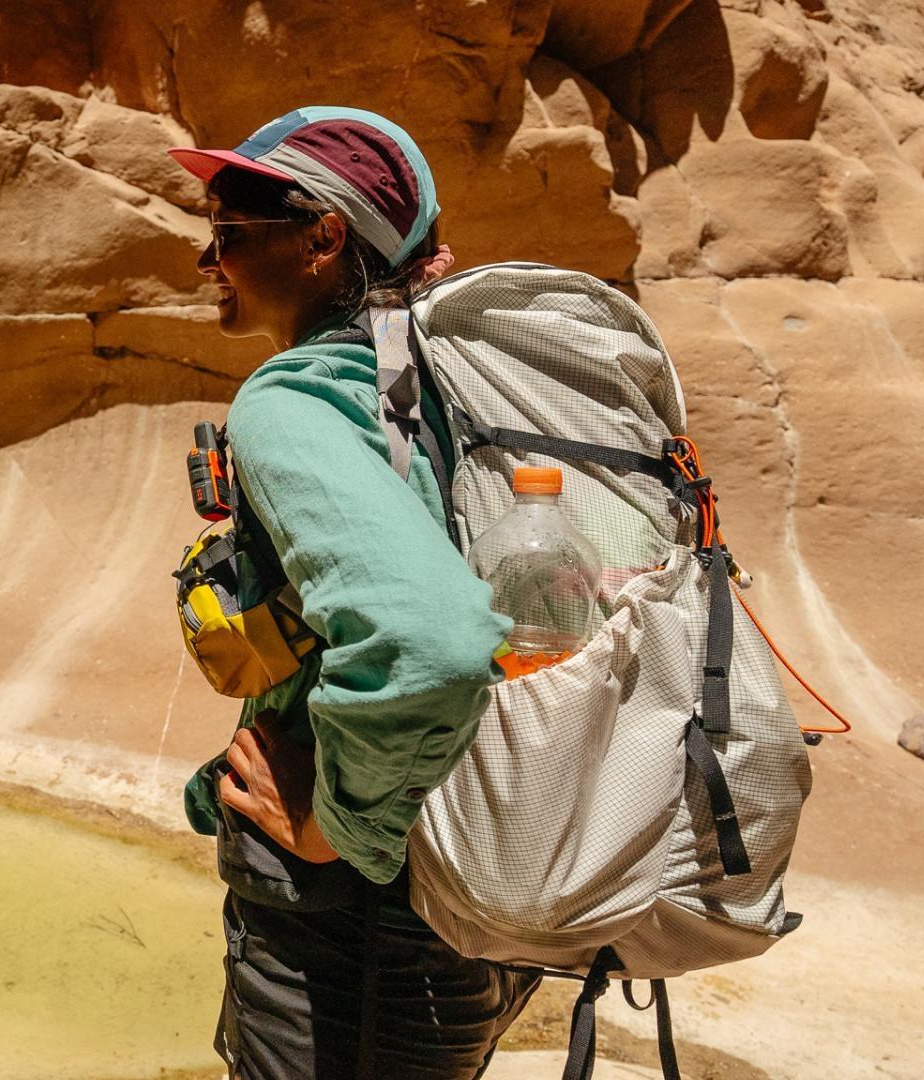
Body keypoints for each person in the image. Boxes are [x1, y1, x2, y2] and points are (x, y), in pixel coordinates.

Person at [166, 107, 539, 1078]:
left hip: (358, 935)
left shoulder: (294, 400)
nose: (210, 261)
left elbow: (432, 640)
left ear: (323, 238)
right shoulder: (461, 385)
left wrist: (339, 827)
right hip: (483, 888)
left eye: (229, 233)